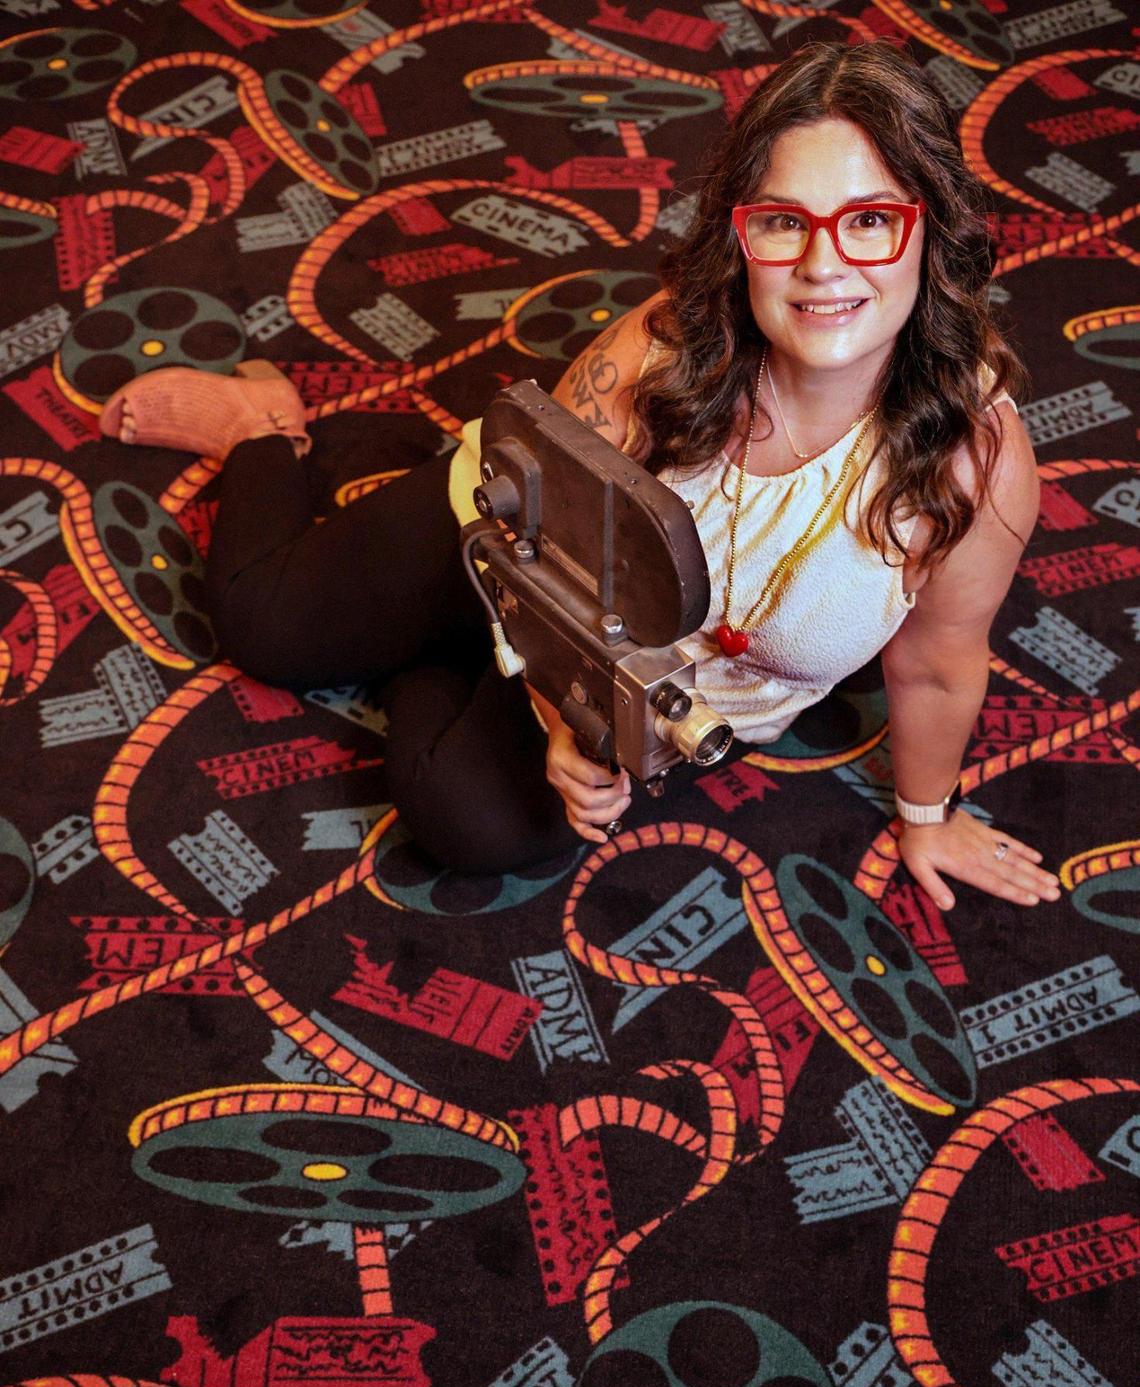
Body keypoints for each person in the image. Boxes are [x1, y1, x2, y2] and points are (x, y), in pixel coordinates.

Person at [99, 39, 1059, 911]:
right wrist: (547, 694)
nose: (823, 264)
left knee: (469, 821)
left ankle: (433, 644)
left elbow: (936, 664)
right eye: (782, 222)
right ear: (741, 234)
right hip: (510, 542)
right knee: (261, 624)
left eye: (872, 220)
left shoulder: (975, 462)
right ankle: (260, 428)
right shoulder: (662, 350)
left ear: (932, 230)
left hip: (646, 683)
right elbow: (536, 530)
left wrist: (928, 817)